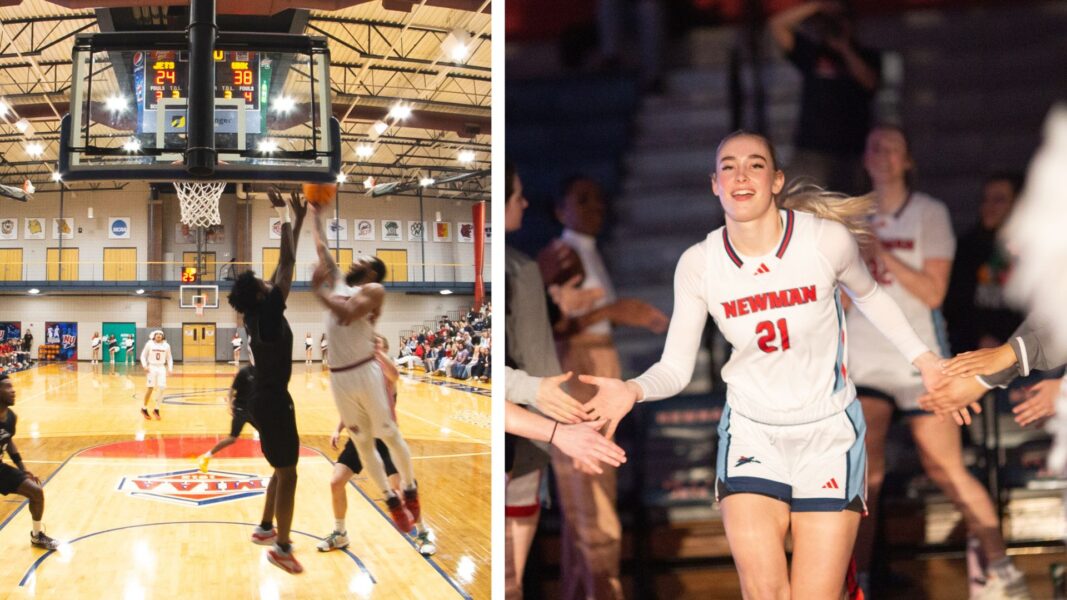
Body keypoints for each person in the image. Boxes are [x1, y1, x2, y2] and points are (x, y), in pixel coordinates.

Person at [577, 131, 946, 599]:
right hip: (753, 432)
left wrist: (927, 360)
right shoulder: (700, 263)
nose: (741, 175)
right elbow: (674, 367)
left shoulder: (823, 241)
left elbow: (871, 298)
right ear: (715, 184)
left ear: (776, 180)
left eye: (754, 164)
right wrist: (632, 388)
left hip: (828, 433)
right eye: (728, 166)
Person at [844, 125, 1029, 598]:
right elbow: (838, 303)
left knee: (945, 466)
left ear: (908, 161)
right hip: (864, 361)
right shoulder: (850, 216)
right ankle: (857, 581)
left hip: (920, 358)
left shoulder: (929, 213)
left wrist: (882, 253)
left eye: (893, 147)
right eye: (875, 146)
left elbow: (933, 292)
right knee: (868, 474)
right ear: (864, 157)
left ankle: (1002, 571)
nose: (883, 154)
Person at [538, 176, 669, 600]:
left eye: (598, 199)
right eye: (582, 199)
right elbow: (554, 324)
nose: (595, 207)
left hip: (595, 362)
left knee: (593, 494)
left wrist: (618, 312)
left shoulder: (587, 251)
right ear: (561, 210)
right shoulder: (560, 254)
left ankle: (585, 587)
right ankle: (601, 587)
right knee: (589, 495)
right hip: (579, 369)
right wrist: (616, 310)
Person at [505, 163, 605, 599]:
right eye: (516, 195)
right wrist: (565, 433)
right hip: (523, 436)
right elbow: (540, 366)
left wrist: (560, 299)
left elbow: (546, 332)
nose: (524, 203)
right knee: (509, 582)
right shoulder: (522, 267)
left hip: (527, 433)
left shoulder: (529, 268)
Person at [307, 201, 429, 548]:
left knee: (388, 435)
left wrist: (318, 293)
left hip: (365, 370)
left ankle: (409, 488)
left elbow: (347, 315)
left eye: (364, 261)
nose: (356, 261)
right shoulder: (340, 283)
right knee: (362, 444)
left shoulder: (374, 291)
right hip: (340, 376)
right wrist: (314, 211)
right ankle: (392, 501)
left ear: (373, 273)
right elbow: (321, 247)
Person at [226, 187, 307, 574]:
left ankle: (264, 527)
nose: (265, 281)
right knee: (289, 473)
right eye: (261, 282)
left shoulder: (258, 312)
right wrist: (282, 213)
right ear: (260, 295)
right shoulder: (270, 313)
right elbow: (287, 262)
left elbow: (284, 263)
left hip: (262, 397)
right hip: (274, 401)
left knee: (280, 466)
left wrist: (298, 216)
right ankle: (283, 548)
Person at [317, 335, 432, 554]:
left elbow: (394, 375)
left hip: (385, 439)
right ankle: (340, 533)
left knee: (401, 490)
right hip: (360, 437)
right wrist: (338, 428)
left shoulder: (386, 373)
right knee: (336, 482)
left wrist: (377, 354)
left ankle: (423, 532)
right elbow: (353, 406)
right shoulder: (358, 374)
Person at [770, 1, 881, 195]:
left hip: (852, 153)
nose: (836, 24)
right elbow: (777, 25)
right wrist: (818, 6)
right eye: (830, 21)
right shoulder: (812, 53)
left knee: (851, 211)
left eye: (842, 19)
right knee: (803, 206)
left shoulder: (867, 55)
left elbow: (870, 82)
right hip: (811, 150)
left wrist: (845, 49)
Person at [942, 172, 1025, 354]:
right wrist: (980, 336)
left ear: (1018, 204)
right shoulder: (968, 247)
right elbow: (955, 306)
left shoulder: (1035, 251)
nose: (989, 206)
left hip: (1024, 358)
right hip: (974, 356)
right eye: (985, 200)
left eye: (999, 200)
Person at [0, 374, 61, 550]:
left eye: (13, 386)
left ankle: (37, 536)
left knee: (36, 492)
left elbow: (9, 441)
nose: (13, 391)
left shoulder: (11, 417)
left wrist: (23, 469)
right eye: (7, 387)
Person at [197, 365, 255, 473]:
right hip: (240, 409)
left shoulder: (262, 371)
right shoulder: (244, 372)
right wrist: (229, 405)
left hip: (253, 410)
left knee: (267, 434)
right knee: (232, 438)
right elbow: (231, 390)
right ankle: (206, 457)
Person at [139, 330, 173, 420]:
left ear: (163, 336)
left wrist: (170, 369)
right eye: (157, 334)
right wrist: (145, 366)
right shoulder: (149, 344)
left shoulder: (166, 345)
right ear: (153, 336)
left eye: (160, 334)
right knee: (150, 388)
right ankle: (144, 408)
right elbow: (143, 356)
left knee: (162, 387)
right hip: (152, 367)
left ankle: (156, 409)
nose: (159, 335)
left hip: (161, 367)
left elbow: (169, 358)